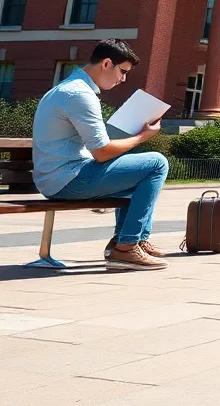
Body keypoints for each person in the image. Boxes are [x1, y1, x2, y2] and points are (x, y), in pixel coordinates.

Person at [32, 39, 169, 270]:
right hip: (67, 180)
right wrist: (142, 137)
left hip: (61, 176)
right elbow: (102, 153)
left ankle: (128, 240)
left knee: (139, 175)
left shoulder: (69, 88)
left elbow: (97, 148)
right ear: (107, 63)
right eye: (122, 71)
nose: (122, 79)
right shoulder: (79, 95)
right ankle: (127, 247)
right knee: (157, 163)